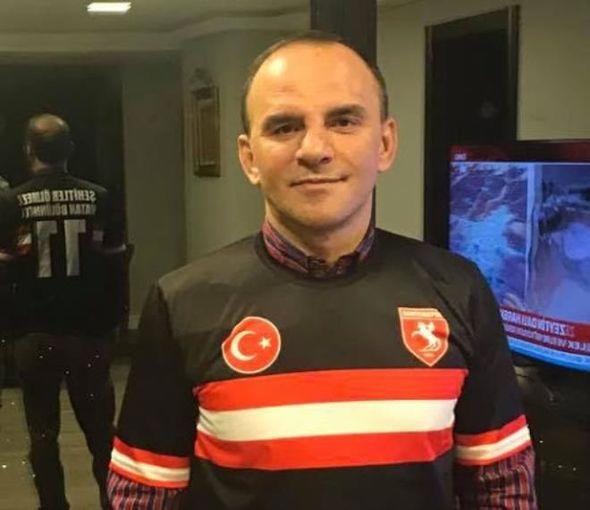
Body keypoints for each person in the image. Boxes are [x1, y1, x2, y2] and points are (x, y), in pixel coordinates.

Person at [107, 32, 536, 509]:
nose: (314, 148)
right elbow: (142, 495)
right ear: (249, 158)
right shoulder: (182, 303)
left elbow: (502, 487)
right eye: (284, 126)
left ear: (385, 143)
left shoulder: (459, 289)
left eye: (343, 121)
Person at [0, 114, 126, 510]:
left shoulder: (10, 202)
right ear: (70, 149)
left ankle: (53, 505)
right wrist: (115, 322)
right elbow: (116, 264)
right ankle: (114, 502)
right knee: (101, 432)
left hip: (33, 334)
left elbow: (4, 269)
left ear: (29, 150)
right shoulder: (99, 198)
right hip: (88, 333)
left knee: (42, 433)